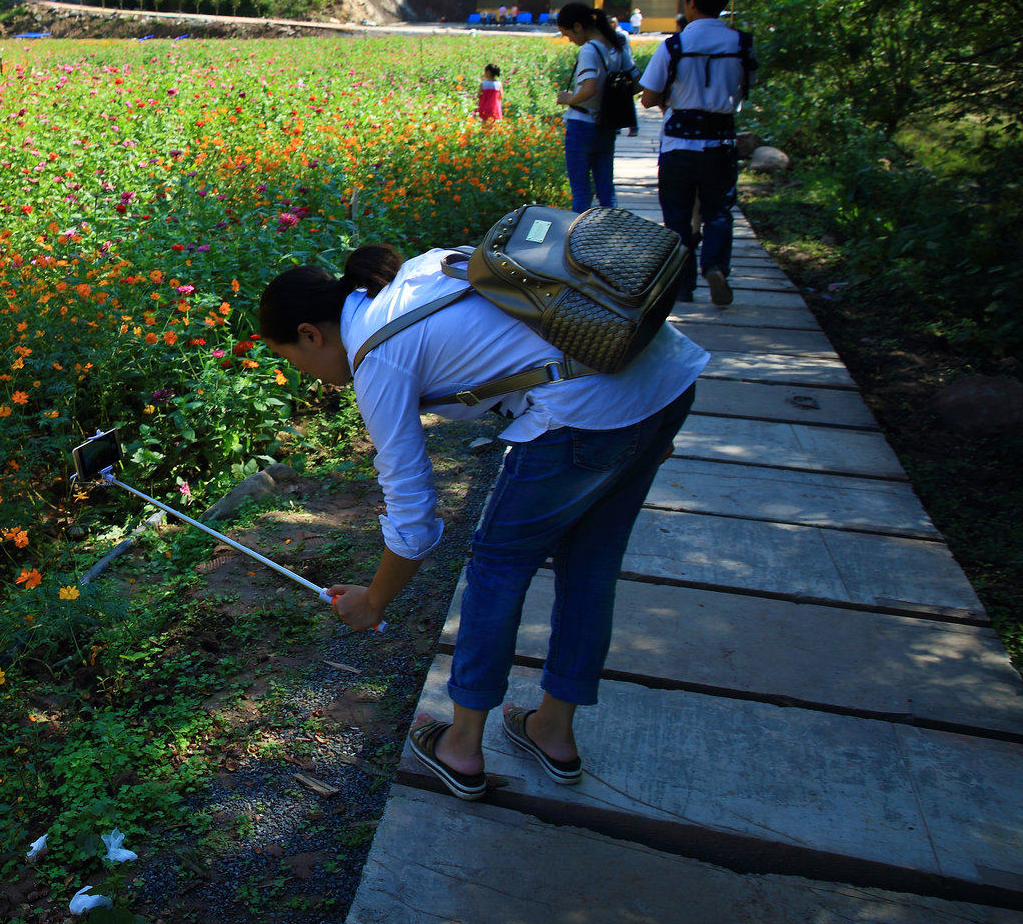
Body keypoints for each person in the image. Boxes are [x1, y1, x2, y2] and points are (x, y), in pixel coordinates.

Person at [260, 245, 705, 800]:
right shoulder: (418, 272)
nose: (308, 377)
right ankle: (552, 731)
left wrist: (373, 601)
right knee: (590, 564)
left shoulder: (377, 355)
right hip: (662, 378)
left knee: (497, 566)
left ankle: (462, 746)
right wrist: (644, 439)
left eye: (293, 360)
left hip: (589, 409)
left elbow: (413, 516)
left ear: (310, 334)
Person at [639, 0, 749, 307]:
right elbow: (745, 88)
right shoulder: (742, 43)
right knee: (718, 211)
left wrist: (671, 96)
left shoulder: (675, 45)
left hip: (678, 145)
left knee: (676, 217)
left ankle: (681, 285)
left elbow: (648, 97)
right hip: (721, 144)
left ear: (691, 2)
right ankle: (715, 266)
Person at [552, 2, 632, 211]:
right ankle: (608, 237)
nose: (568, 39)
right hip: (606, 124)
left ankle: (576, 242)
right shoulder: (617, 45)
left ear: (578, 26)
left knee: (581, 194)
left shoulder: (589, 49)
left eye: (567, 33)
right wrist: (610, 101)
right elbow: (637, 81)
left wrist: (567, 98)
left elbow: (589, 88)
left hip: (582, 125)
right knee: (606, 191)